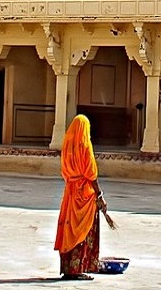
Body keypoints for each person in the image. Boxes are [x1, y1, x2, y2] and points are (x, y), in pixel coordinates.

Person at [53, 114, 105, 280]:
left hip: (70, 192)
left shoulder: (67, 147)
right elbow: (91, 173)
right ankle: (79, 268)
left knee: (70, 229)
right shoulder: (84, 146)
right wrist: (99, 194)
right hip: (85, 194)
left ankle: (69, 268)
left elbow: (65, 172)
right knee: (83, 230)